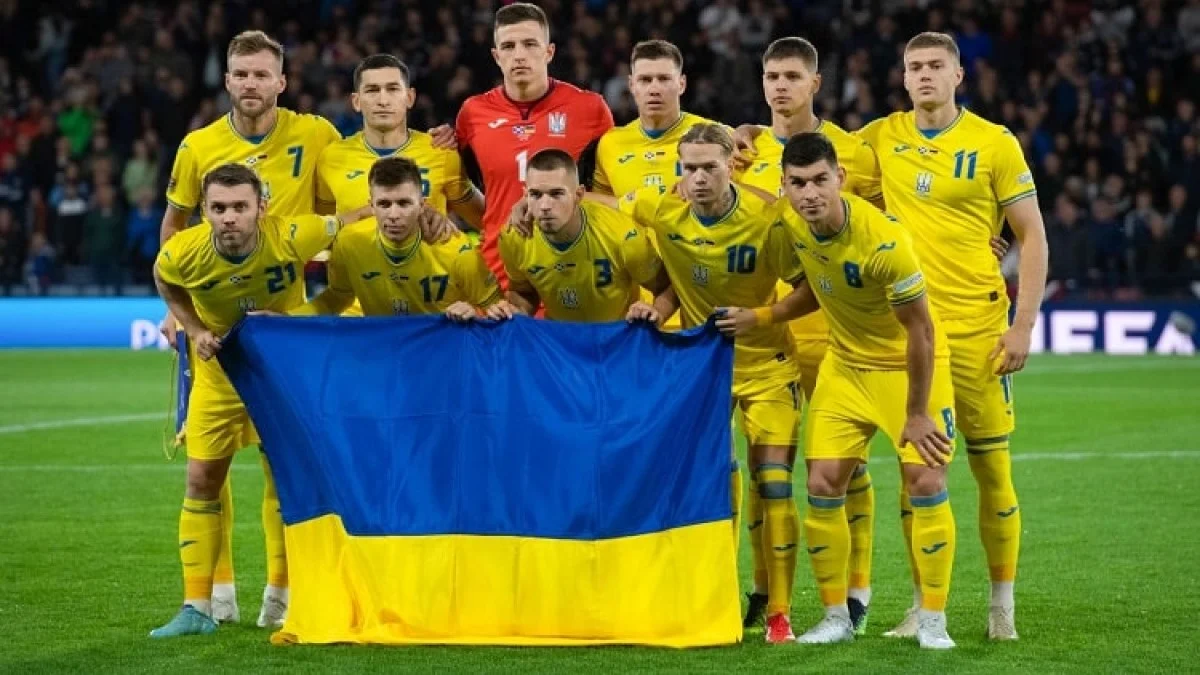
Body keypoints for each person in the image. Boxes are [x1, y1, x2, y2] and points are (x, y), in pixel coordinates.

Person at [718, 132, 958, 649]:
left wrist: (918, 412)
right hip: (845, 366)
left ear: (840, 179)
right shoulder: (789, 222)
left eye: (820, 181)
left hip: (909, 367)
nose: (810, 194)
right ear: (784, 185)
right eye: (798, 183)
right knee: (823, 482)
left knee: (924, 481)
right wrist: (765, 315)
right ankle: (835, 618)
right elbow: (814, 289)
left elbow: (922, 331)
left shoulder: (883, 241)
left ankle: (933, 619)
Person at [858, 32, 1048, 641]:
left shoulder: (994, 143)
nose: (924, 75)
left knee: (992, 470)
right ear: (902, 76)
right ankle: (922, 603)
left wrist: (1022, 326)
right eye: (914, 66)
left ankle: (1001, 606)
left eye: (936, 65)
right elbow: (810, 154)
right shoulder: (880, 137)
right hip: (911, 335)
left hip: (978, 332)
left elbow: (1033, 236)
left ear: (958, 76)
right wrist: (746, 138)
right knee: (915, 476)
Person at [156, 30, 342, 629]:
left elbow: (349, 199)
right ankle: (216, 594)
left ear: (281, 81)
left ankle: (279, 596)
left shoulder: (315, 134)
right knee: (207, 468)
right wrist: (178, 314)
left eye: (262, 74)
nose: (251, 84)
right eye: (241, 74)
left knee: (278, 466)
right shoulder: (198, 146)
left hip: (280, 330)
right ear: (228, 80)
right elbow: (174, 227)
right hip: (214, 329)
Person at [618, 123, 806, 644]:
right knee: (712, 484)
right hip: (704, 371)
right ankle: (720, 595)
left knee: (774, 485)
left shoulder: (767, 219)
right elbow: (597, 202)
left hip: (768, 366)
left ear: (731, 167)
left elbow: (808, 289)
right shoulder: (662, 211)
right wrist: (524, 209)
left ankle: (779, 612)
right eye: (690, 168)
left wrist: (760, 317)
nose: (698, 178)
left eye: (709, 167)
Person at [730, 36, 883, 635]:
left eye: (792, 76)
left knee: (846, 469)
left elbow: (892, 222)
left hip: (832, 334)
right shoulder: (742, 150)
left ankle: (857, 591)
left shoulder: (852, 153)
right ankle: (766, 592)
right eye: (772, 76)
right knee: (766, 472)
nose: (780, 87)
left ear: (815, 83)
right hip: (767, 337)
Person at [455, 2, 614, 285]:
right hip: (498, 273)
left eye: (530, 44)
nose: (519, 55)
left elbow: (613, 195)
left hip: (571, 271)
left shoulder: (589, 109)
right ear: (496, 56)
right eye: (508, 46)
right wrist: (495, 221)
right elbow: (460, 186)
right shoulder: (472, 114)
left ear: (549, 52)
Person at [591, 39, 720, 330]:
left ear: (682, 83)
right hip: (634, 301)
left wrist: (752, 129)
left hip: (700, 297)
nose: (654, 88)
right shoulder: (610, 144)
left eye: (664, 79)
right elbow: (599, 213)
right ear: (631, 85)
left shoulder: (713, 137)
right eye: (645, 80)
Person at [290, 156, 501, 319]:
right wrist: (285, 320)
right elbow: (335, 299)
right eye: (384, 204)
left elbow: (499, 311)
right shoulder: (349, 243)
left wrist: (474, 312)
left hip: (440, 356)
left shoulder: (455, 249)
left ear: (422, 205)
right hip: (383, 354)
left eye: (403, 203)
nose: (393, 215)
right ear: (371, 206)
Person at [490, 148, 670, 322]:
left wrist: (655, 313)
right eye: (536, 194)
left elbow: (665, 287)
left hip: (617, 337)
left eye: (556, 194)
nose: (545, 206)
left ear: (578, 195)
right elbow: (523, 292)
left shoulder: (622, 235)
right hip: (560, 338)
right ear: (525, 195)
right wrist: (516, 311)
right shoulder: (515, 237)